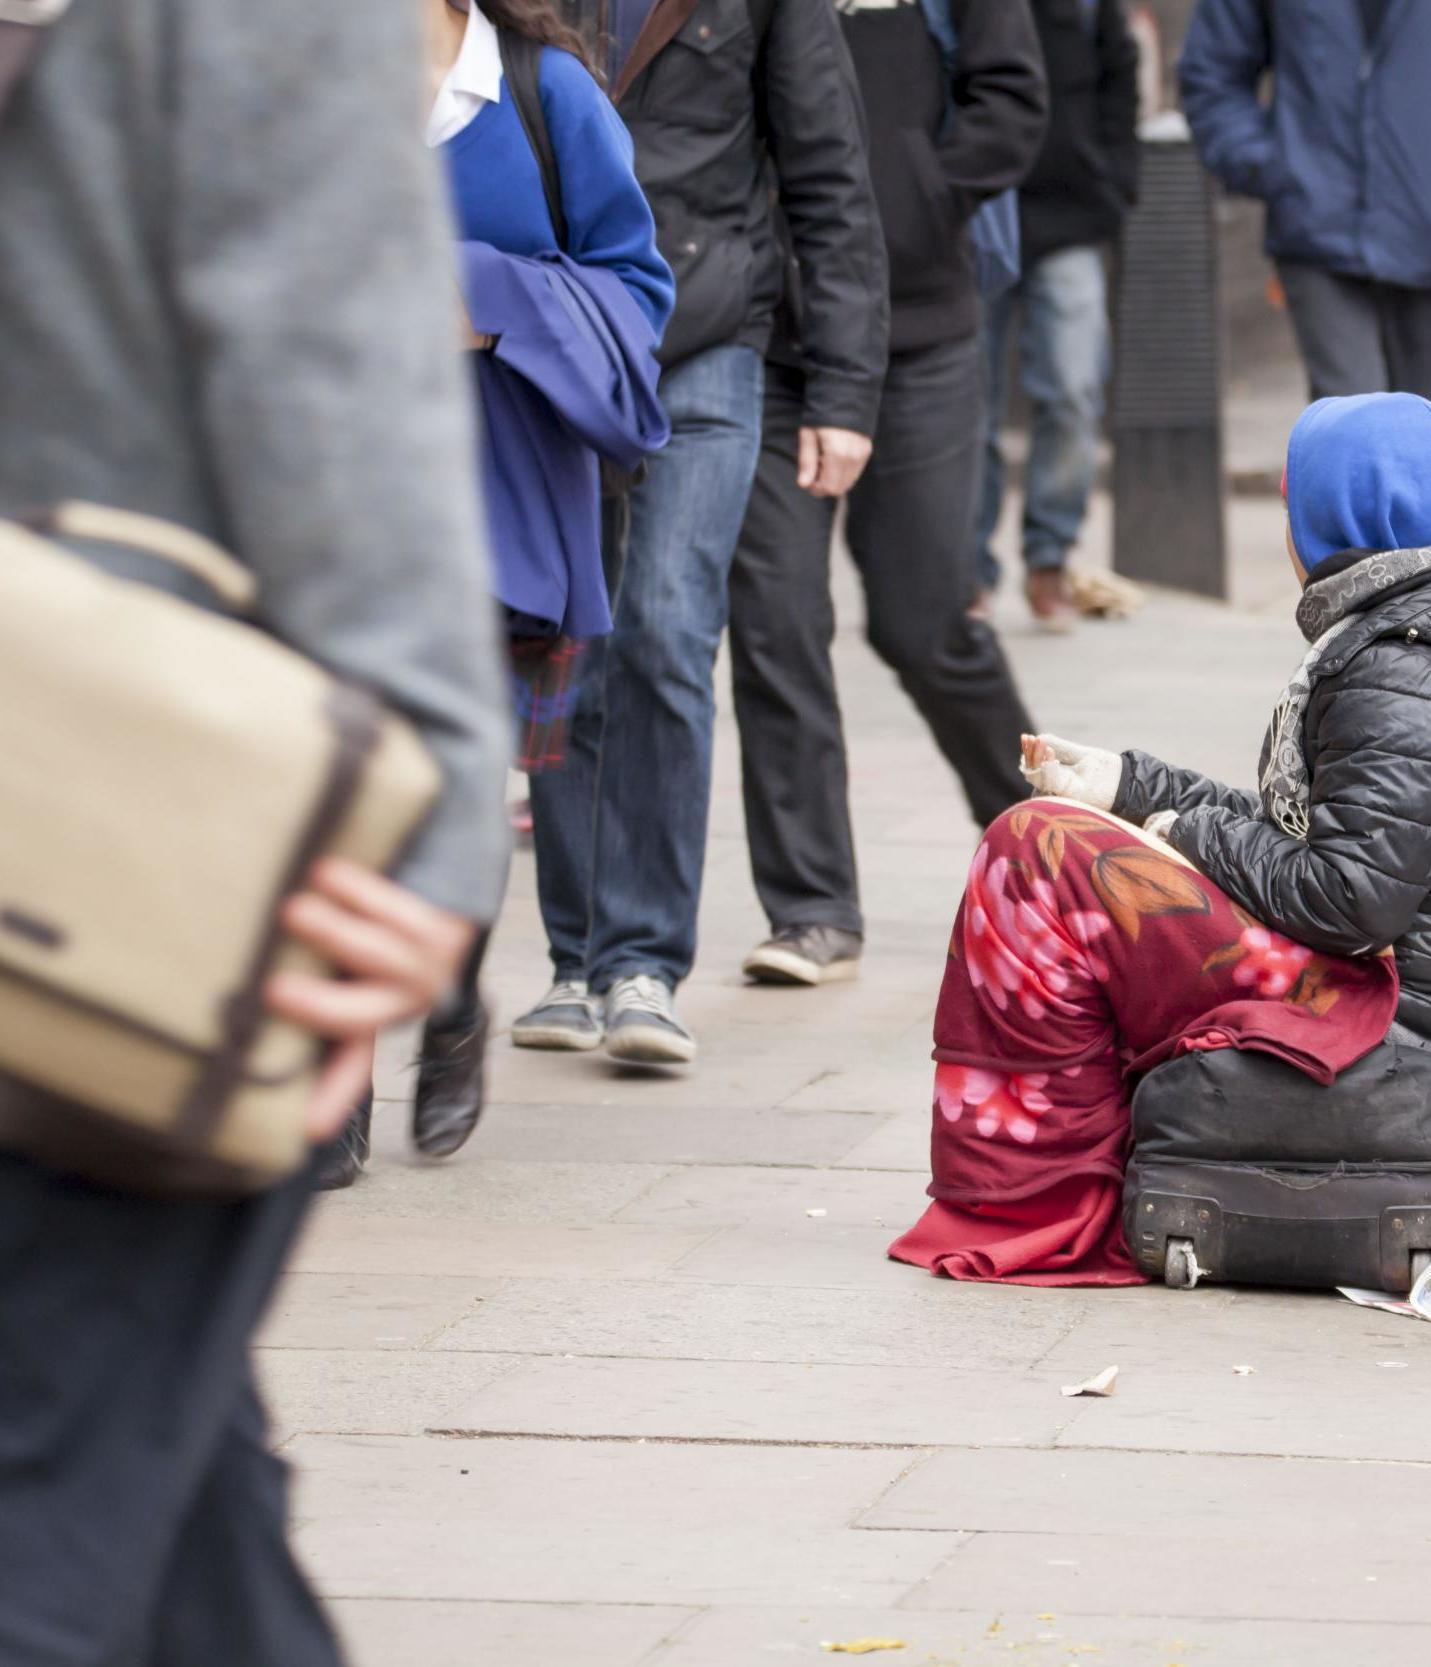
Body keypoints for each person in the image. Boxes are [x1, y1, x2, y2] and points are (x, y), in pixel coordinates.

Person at [0, 2, 513, 1659]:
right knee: (156, 1545)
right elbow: (338, 408)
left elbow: (335, 408)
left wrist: (416, 849)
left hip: (108, 888)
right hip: (102, 867)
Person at [889, 393, 1431, 1283]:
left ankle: (1038, 1201)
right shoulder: (1415, 631)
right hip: (1386, 974)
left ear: (1325, 523)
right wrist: (1128, 786)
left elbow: (1350, 898)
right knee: (1063, 834)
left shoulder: (1405, 670)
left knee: (1031, 856)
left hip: (1382, 998)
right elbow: (1310, 839)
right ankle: (1047, 1171)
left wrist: (1177, 829)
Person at [317, 0, 677, 1189]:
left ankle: (454, 986)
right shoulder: (307, 76)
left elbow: (635, 288)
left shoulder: (543, 94)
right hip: (332, 499)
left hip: (501, 500)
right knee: (340, 788)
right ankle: (333, 1076)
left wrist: (489, 297)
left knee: (458, 786)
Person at [513, 0, 889, 1065]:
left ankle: (641, 963)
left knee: (668, 629)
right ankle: (574, 957)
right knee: (560, 636)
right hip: (551, 337)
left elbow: (829, 176)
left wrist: (844, 391)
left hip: (707, 338)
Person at [725, 0, 1049, 993]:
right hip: (765, 337)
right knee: (775, 618)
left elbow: (1012, 98)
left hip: (918, 333)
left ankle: (1042, 855)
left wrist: (912, 196)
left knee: (923, 621)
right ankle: (813, 906)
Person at [1179, 0, 1431, 415]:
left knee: (1424, 442)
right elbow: (1213, 72)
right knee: (1352, 433)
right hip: (1318, 232)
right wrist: (1269, 168)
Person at [973, 0, 1141, 630]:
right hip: (974, 208)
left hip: (1071, 217)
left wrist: (1117, 183)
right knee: (970, 402)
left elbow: (1120, 74)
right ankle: (969, 568)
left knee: (1074, 386)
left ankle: (1049, 556)